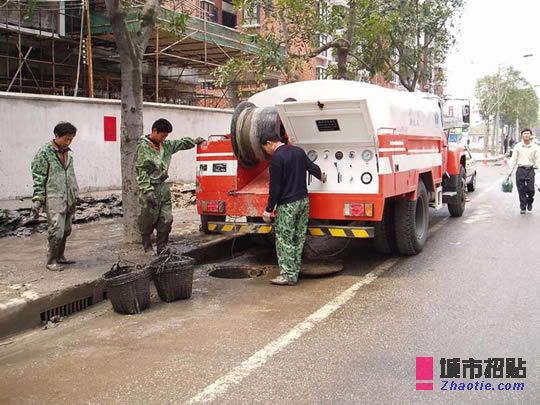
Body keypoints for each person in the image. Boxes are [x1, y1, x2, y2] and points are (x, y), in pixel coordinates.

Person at [261, 132, 326, 286]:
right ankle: (294, 271)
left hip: (288, 205)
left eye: (265, 148)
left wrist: (268, 209)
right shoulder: (298, 151)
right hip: (303, 202)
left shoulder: (277, 158)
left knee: (284, 239)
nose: (266, 151)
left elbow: (275, 188)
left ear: (270, 143)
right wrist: (321, 176)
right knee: (299, 237)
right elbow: (313, 168)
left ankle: (288, 275)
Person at [136, 118, 205, 254]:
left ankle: (162, 248)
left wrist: (194, 141)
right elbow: (141, 170)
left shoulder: (165, 146)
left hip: (162, 187)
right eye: (162, 135)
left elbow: (179, 144)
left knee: (166, 219)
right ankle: (147, 246)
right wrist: (147, 191)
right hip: (149, 187)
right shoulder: (143, 147)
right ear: (154, 131)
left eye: (166, 136)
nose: (164, 138)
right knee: (148, 220)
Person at [31, 122, 79, 271]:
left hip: (69, 196)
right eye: (66, 139)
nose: (68, 142)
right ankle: (51, 260)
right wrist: (38, 200)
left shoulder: (68, 153)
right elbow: (39, 177)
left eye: (71, 139)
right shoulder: (44, 153)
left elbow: (71, 175)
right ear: (56, 136)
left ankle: (60, 256)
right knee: (56, 230)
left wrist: (75, 193)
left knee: (66, 229)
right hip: (54, 197)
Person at [507, 128, 540, 214]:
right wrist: (510, 170)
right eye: (524, 133)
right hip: (520, 170)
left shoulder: (535, 147)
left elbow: (538, 159)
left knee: (531, 189)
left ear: (530, 135)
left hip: (530, 170)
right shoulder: (518, 146)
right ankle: (523, 207)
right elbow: (513, 159)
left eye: (528, 133)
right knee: (521, 189)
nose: (526, 135)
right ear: (522, 135)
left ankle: (529, 201)